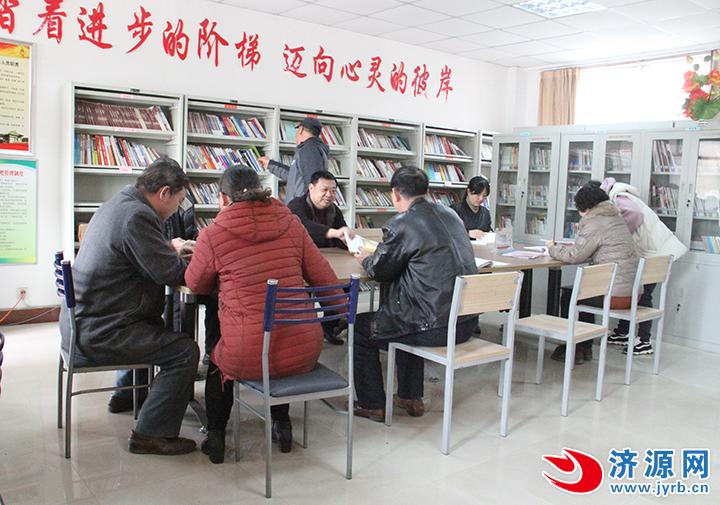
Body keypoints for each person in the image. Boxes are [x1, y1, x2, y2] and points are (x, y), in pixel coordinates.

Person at [185, 165, 342, 464]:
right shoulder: (292, 223)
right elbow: (326, 282)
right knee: (276, 337)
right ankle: (282, 425)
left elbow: (195, 284)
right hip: (304, 348)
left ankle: (215, 436)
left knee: (220, 357)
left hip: (249, 353)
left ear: (222, 198)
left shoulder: (212, 234)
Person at [60, 157, 200, 456]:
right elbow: (171, 274)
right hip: (103, 332)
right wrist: (198, 261)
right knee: (184, 351)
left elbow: (133, 250)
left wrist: (168, 247)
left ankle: (126, 396)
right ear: (164, 192)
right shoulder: (138, 216)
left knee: (153, 324)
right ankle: (151, 435)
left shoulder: (119, 203)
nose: (177, 209)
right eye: (178, 201)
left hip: (82, 324)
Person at [352, 166, 479, 422]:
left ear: (395, 194)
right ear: (426, 190)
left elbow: (379, 271)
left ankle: (372, 404)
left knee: (361, 328)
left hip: (434, 326)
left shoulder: (402, 223)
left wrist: (364, 258)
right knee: (403, 316)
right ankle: (410, 397)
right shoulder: (451, 215)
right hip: (466, 322)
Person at [545, 182, 639, 364]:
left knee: (571, 295)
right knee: (581, 292)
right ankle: (584, 347)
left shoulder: (594, 221)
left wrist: (552, 248)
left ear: (586, 207)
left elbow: (574, 256)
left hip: (615, 295)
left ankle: (573, 346)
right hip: (632, 292)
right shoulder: (615, 218)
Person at [600, 178, 688, 355]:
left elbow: (634, 215)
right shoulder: (622, 195)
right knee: (633, 292)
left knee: (643, 294)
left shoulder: (618, 197)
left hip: (654, 254)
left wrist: (622, 234)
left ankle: (644, 340)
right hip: (655, 252)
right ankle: (624, 332)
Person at [288, 170, 354, 345]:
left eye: (333, 191)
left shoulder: (334, 210)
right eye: (324, 190)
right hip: (300, 261)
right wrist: (334, 232)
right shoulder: (296, 205)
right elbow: (304, 226)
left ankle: (329, 326)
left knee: (344, 282)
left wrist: (349, 241)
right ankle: (303, 332)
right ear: (311, 188)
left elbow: (341, 235)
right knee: (303, 292)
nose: (329, 195)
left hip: (325, 261)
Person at [258, 116, 329, 203]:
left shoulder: (309, 149)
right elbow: (294, 177)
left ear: (301, 130)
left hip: (301, 207)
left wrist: (303, 207)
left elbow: (312, 183)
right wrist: (270, 164)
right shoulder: (313, 148)